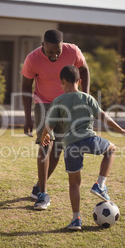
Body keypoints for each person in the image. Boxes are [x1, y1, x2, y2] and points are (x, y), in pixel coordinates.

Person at [41, 65, 125, 230]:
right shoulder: (87, 98)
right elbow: (104, 117)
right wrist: (122, 130)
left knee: (74, 184)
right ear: (80, 81)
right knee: (111, 149)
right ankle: (100, 185)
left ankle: (76, 220)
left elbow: (48, 125)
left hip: (69, 145)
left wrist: (44, 138)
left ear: (62, 82)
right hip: (89, 138)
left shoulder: (58, 101)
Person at [21, 29, 90, 210]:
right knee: (45, 145)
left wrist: (85, 96)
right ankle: (43, 194)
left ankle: (38, 187)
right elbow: (26, 86)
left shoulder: (73, 51)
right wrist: (28, 117)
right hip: (44, 104)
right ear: (42, 45)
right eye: (51, 52)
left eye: (58, 52)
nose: (55, 55)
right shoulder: (32, 59)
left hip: (66, 105)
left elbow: (84, 70)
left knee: (57, 150)